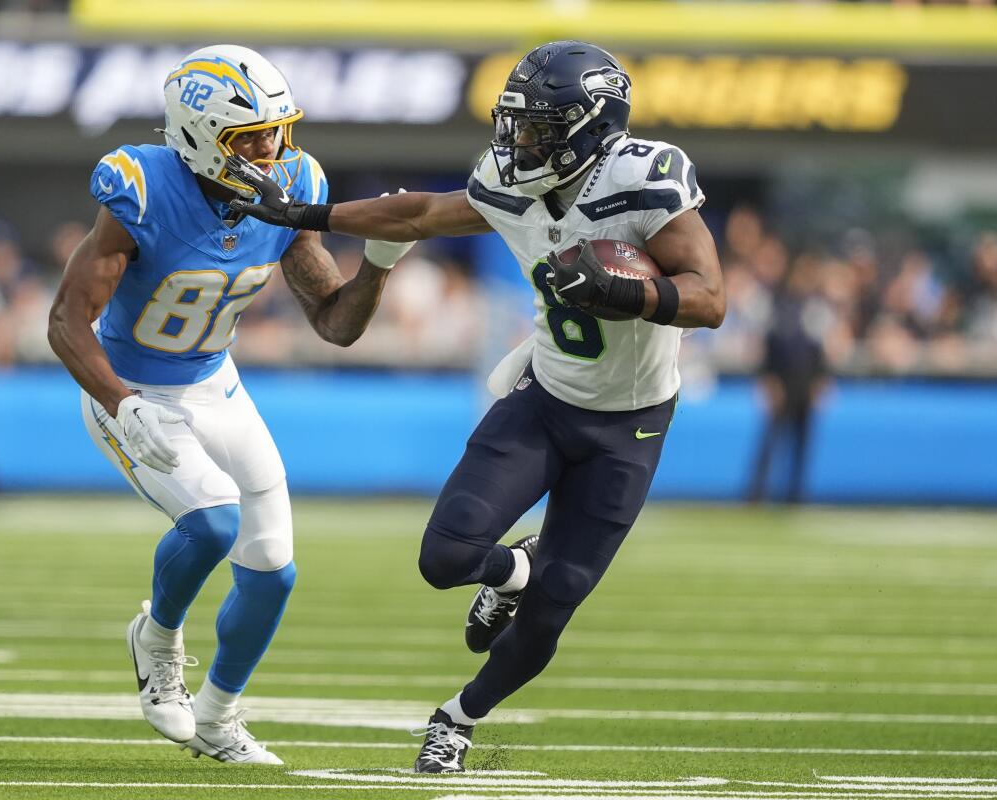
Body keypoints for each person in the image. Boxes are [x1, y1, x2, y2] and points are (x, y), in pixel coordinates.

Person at [227, 40, 725, 773]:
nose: (517, 142)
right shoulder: (508, 181)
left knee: (562, 598)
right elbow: (422, 214)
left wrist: (631, 293)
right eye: (515, 125)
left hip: (633, 423)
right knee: (446, 558)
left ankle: (458, 719)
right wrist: (308, 212)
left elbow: (711, 299)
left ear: (590, 126)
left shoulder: (643, 180)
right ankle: (513, 571)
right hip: (546, 397)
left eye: (536, 128)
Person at [47, 44, 410, 764]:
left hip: (218, 385)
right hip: (132, 389)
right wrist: (122, 404)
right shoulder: (142, 189)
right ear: (196, 137)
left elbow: (335, 324)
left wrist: (380, 261)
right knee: (213, 522)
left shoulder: (293, 185)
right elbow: (64, 321)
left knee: (274, 564)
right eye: (250, 137)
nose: (271, 150)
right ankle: (156, 639)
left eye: (278, 130)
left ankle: (218, 717)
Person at [748, 255, 830, 503]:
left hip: (805, 382)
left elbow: (819, 350)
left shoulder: (815, 307)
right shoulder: (777, 304)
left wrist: (821, 380)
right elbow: (768, 347)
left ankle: (795, 495)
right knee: (771, 443)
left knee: (802, 444)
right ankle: (757, 495)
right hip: (782, 381)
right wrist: (769, 379)